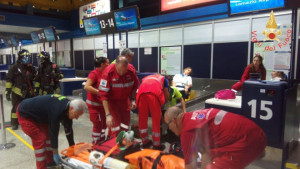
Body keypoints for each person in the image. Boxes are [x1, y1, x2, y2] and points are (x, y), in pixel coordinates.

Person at [164, 107, 267, 169]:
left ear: (173, 121)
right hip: (257, 133)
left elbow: (190, 165)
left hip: (248, 141)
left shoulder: (188, 131)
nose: (168, 128)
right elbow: (206, 153)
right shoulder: (194, 116)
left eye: (167, 124)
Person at [17, 94, 88, 169]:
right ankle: (41, 167)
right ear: (71, 108)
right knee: (40, 139)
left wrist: (72, 149)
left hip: (39, 115)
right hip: (25, 114)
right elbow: (54, 133)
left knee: (48, 137)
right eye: (77, 115)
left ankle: (50, 161)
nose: (76, 118)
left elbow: (69, 131)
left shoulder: (67, 107)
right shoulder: (57, 111)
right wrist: (56, 153)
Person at [99, 55, 139, 138]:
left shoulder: (131, 71)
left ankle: (120, 141)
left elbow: (135, 86)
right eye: (120, 71)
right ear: (116, 65)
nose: (121, 73)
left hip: (125, 101)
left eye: (124, 71)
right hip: (112, 102)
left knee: (125, 124)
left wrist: (132, 99)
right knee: (115, 126)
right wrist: (108, 115)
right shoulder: (108, 73)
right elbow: (103, 95)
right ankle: (115, 145)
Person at [136, 73, 169, 150]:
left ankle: (145, 142)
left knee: (142, 119)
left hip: (141, 95)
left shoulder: (147, 77)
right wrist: (164, 103)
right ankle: (156, 144)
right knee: (156, 120)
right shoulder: (165, 79)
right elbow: (166, 92)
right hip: (154, 95)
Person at [5, 49, 36, 130]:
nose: (27, 59)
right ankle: (14, 123)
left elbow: (33, 78)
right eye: (25, 57)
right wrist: (7, 92)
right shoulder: (14, 68)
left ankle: (27, 121)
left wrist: (33, 70)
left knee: (28, 107)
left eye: (28, 57)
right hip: (17, 92)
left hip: (28, 92)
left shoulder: (29, 68)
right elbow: (9, 80)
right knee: (15, 108)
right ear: (21, 58)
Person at [84, 57, 110, 145]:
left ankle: (102, 141)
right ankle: (95, 143)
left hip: (102, 105)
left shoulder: (106, 74)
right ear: (102, 64)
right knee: (97, 124)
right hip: (94, 105)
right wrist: (99, 92)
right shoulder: (94, 74)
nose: (109, 65)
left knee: (104, 124)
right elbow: (87, 86)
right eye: (107, 63)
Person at [161, 75, 186, 143]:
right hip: (163, 111)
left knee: (174, 126)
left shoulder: (174, 90)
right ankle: (162, 138)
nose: (167, 85)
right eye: (166, 83)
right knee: (161, 124)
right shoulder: (161, 90)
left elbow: (181, 99)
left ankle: (174, 139)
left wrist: (184, 111)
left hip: (172, 112)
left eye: (169, 83)